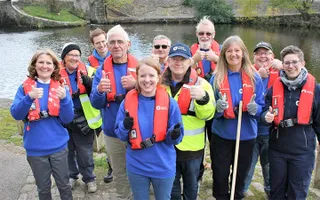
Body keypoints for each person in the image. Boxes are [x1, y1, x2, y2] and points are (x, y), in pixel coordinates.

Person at [114, 57, 184, 200]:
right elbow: (120, 135)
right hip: (137, 166)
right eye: (143, 75)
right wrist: (124, 126)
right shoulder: (127, 102)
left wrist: (175, 134)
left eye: (151, 75)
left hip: (163, 165)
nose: (147, 80)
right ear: (137, 77)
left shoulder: (170, 103)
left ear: (158, 77)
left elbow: (177, 140)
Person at [10, 49, 74, 200]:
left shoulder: (61, 88)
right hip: (35, 149)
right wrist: (29, 98)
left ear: (54, 67)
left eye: (48, 63)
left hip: (58, 147)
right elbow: (16, 114)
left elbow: (67, 118)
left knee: (64, 185)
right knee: (43, 189)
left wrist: (65, 99)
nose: (45, 66)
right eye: (41, 62)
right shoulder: (25, 88)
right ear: (34, 65)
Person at [261, 45, 320, 200]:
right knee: (276, 191)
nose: (290, 66)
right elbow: (262, 112)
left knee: (297, 192)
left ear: (303, 63)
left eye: (294, 62)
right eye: (287, 62)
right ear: (283, 64)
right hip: (277, 150)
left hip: (303, 152)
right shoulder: (274, 88)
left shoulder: (315, 90)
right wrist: (264, 118)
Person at [209, 35, 265, 200]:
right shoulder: (216, 78)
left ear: (243, 53)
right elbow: (209, 110)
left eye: (237, 50)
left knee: (240, 175)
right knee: (220, 174)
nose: (233, 54)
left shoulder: (254, 77)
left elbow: (261, 106)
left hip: (246, 136)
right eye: (229, 51)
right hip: (222, 135)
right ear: (224, 54)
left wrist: (257, 109)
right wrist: (217, 109)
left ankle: (237, 196)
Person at [161, 42, 215, 200]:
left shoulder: (202, 84)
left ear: (189, 62)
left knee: (192, 187)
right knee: (172, 186)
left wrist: (203, 99)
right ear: (168, 61)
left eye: (182, 59)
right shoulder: (159, 85)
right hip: (167, 147)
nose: (178, 62)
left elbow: (208, 115)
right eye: (174, 58)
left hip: (193, 150)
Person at [90, 24, 138, 199]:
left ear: (128, 44)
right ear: (108, 46)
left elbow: (153, 95)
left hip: (137, 130)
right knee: (119, 172)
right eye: (112, 42)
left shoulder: (140, 68)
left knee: (139, 170)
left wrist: (137, 85)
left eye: (120, 41)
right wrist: (100, 91)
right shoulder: (101, 72)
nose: (116, 45)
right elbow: (95, 104)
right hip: (112, 131)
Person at [60, 43, 101, 193]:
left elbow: (99, 95)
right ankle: (72, 175)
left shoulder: (90, 72)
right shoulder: (55, 73)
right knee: (68, 150)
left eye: (77, 55)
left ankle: (89, 178)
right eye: (71, 55)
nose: (75, 58)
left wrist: (91, 86)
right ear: (64, 58)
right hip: (64, 118)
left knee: (85, 151)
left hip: (84, 117)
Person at [243, 41, 283, 197]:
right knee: (248, 165)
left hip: (272, 132)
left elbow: (306, 79)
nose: (263, 56)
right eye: (259, 53)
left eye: (266, 53)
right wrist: (257, 76)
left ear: (272, 56)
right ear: (254, 57)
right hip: (251, 130)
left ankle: (269, 192)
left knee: (269, 166)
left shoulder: (283, 73)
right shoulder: (247, 72)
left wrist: (282, 67)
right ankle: (241, 190)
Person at [87, 27, 113, 183]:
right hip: (101, 103)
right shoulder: (90, 62)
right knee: (108, 140)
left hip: (117, 102)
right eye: (98, 43)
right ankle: (111, 167)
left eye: (104, 41)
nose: (102, 45)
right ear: (93, 45)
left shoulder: (118, 54)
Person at [191, 16, 220, 82]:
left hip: (216, 86)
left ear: (213, 34)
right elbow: (181, 71)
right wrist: (194, 60)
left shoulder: (223, 50)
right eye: (201, 33)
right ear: (196, 34)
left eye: (208, 34)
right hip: (197, 86)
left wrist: (216, 59)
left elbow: (233, 67)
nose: (204, 36)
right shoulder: (189, 51)